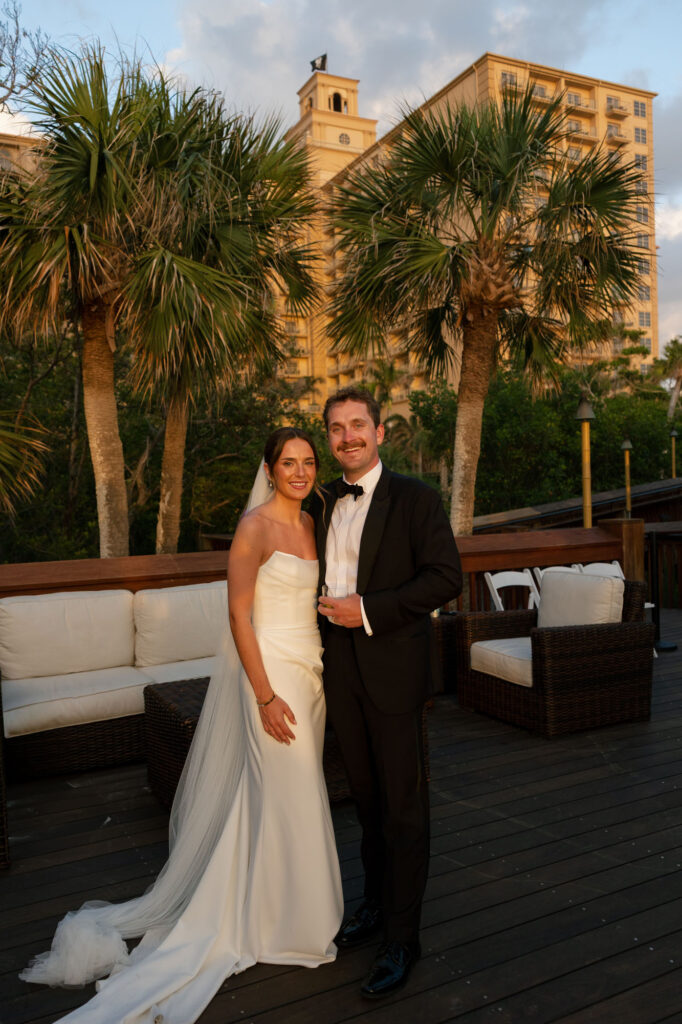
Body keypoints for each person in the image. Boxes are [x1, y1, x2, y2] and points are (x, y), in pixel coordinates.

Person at [19, 428, 343, 1024]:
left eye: (307, 462)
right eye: (287, 463)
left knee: (284, 795)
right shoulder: (255, 526)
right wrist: (266, 695)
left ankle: (275, 907)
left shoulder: (311, 522)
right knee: (291, 791)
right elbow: (239, 617)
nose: (299, 472)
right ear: (268, 469)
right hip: (271, 675)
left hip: (311, 669)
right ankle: (282, 924)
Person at [314, 386, 462, 999]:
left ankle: (403, 938)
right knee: (367, 802)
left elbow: (446, 578)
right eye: (336, 428)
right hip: (337, 671)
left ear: (380, 433)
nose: (347, 436)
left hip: (394, 669)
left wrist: (367, 610)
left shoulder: (416, 498)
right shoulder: (318, 502)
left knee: (403, 808)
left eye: (358, 425)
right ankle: (374, 906)